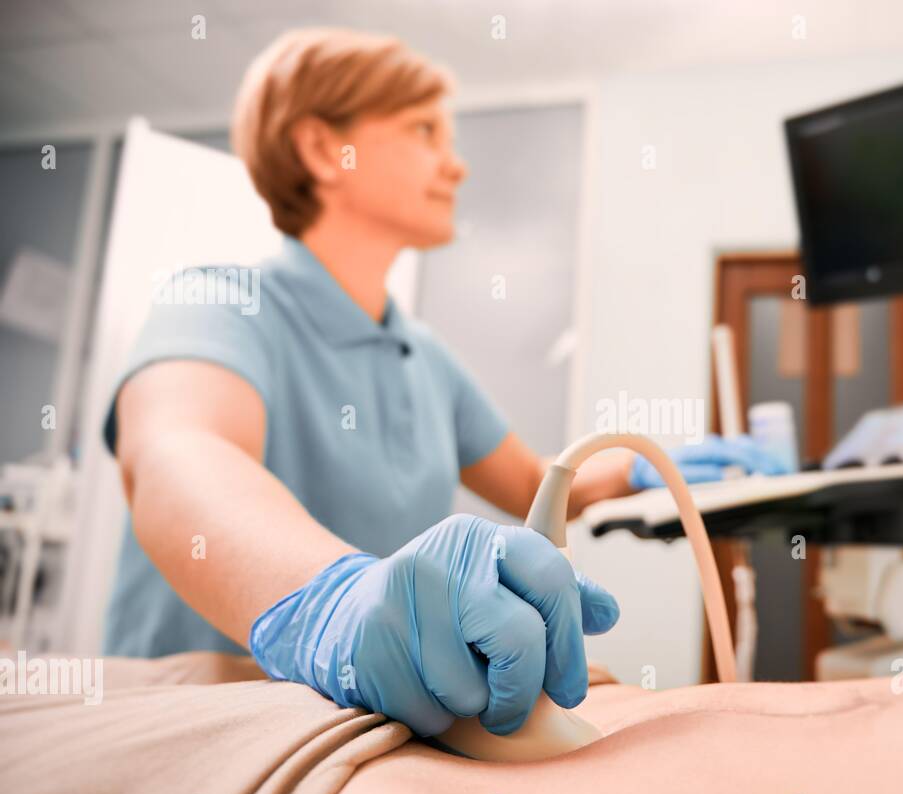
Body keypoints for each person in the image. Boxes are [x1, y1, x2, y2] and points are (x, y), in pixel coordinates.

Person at [104, 28, 787, 740]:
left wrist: (648, 469)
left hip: (358, 732)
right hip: (195, 730)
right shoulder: (220, 302)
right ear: (319, 149)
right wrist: (328, 604)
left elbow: (536, 481)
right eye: (424, 130)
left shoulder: (423, 357)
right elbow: (176, 457)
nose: (456, 167)